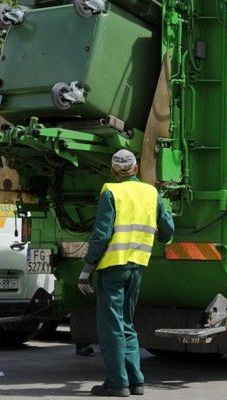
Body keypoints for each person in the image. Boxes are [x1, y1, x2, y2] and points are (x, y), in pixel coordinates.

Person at [78, 149, 174, 397]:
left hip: (112, 267)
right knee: (127, 323)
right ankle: (136, 381)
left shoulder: (111, 191)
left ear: (113, 170)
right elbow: (168, 229)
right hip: (137, 266)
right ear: (136, 169)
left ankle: (116, 384)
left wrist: (87, 268)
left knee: (111, 326)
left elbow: (101, 234)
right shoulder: (151, 193)